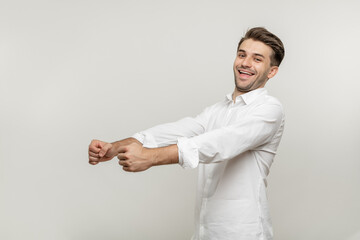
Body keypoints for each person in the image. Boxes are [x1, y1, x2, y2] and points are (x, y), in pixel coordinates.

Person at [88, 27, 285, 240]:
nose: (245, 63)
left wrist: (150, 157)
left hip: (244, 233)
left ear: (271, 71)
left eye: (257, 59)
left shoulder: (270, 109)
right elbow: (179, 130)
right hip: (205, 232)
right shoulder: (217, 111)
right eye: (242, 54)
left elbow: (220, 143)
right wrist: (117, 146)